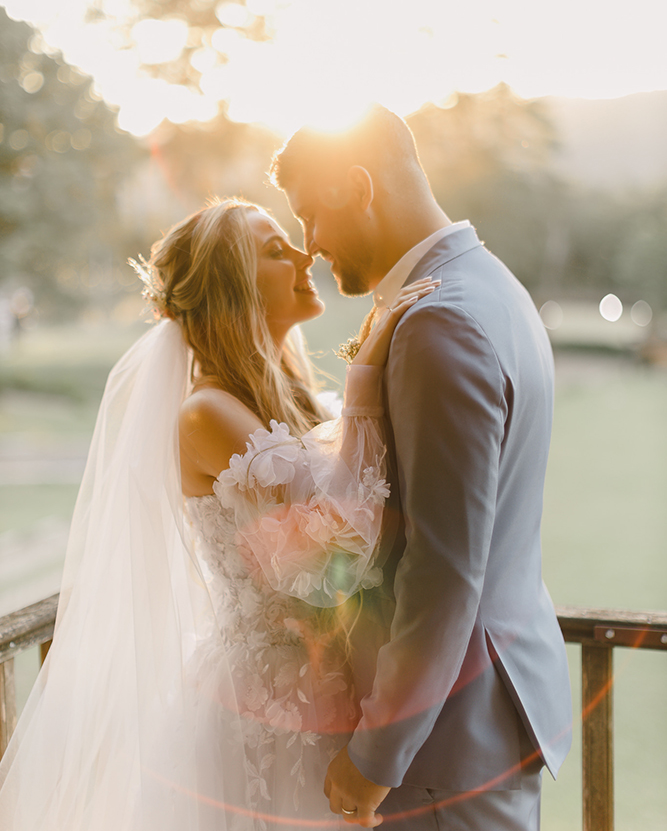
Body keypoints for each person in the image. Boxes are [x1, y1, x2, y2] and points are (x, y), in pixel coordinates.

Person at [0, 196, 437, 830]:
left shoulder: (295, 396)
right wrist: (367, 374)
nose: (303, 254)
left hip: (329, 689)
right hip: (267, 708)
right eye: (274, 249)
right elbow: (333, 559)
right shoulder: (206, 415)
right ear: (233, 291)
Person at [270, 105, 573, 830]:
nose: (310, 246)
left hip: (444, 746)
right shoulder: (485, 285)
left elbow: (443, 569)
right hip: (476, 725)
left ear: (357, 185)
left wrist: (378, 756)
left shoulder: (442, 322)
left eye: (312, 215)